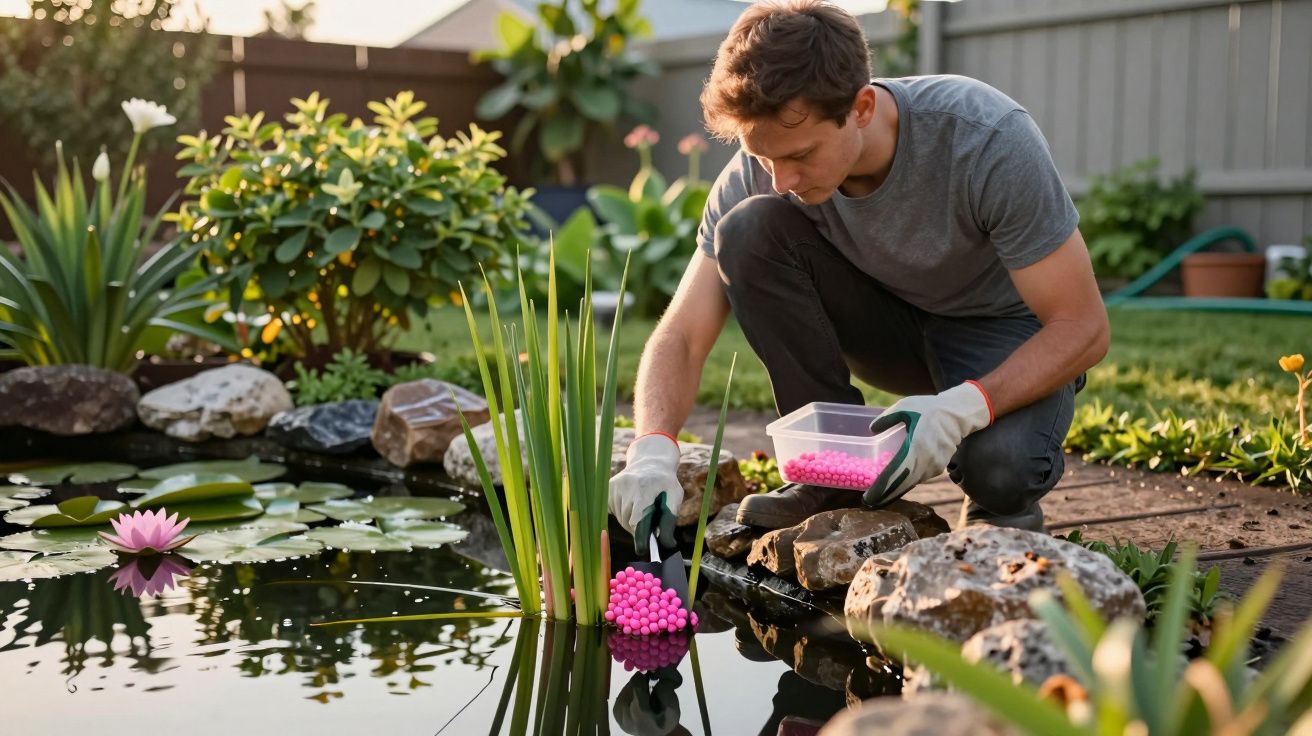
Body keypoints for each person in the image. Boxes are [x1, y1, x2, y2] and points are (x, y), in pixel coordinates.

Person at [608, 0, 1109, 547]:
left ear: (862, 107)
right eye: (765, 157)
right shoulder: (762, 171)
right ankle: (829, 478)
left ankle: (997, 510)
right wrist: (652, 448)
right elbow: (681, 334)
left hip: (998, 334)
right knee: (748, 227)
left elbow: (1082, 327)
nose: (781, 179)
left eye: (799, 154)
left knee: (1002, 472)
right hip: (885, 329)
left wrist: (962, 408)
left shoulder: (984, 139)